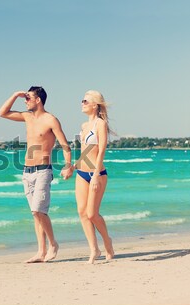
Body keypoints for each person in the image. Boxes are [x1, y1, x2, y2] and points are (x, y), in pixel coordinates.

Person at [0, 86, 74, 263]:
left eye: (28, 98)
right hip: (27, 171)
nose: (25, 101)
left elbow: (65, 145)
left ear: (38, 100)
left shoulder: (51, 120)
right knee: (35, 213)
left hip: (43, 170)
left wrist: (68, 165)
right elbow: (2, 113)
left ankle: (53, 244)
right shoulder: (26, 117)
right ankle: (41, 251)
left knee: (38, 209)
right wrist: (16, 94)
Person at [75, 90, 115, 264]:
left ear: (95, 105)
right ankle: (94, 249)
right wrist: (73, 167)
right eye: (82, 100)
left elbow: (101, 151)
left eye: (85, 101)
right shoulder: (84, 126)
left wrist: (97, 175)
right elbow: (85, 151)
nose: (82, 103)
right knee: (82, 212)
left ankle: (107, 241)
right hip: (81, 173)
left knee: (92, 214)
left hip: (96, 173)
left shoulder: (100, 124)